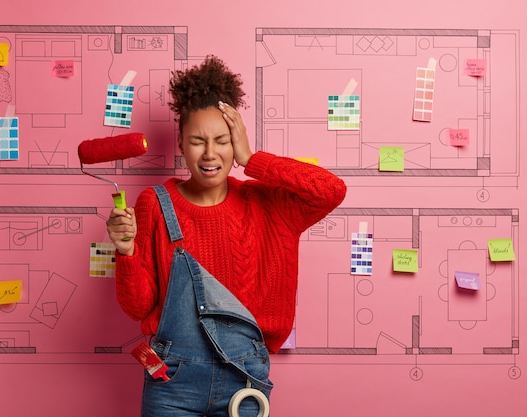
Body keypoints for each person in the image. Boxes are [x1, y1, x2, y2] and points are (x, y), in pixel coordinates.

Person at [106, 55, 347, 417]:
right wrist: (125, 252)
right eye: (197, 141)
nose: (209, 153)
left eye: (222, 140)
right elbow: (138, 307)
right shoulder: (155, 203)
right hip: (171, 379)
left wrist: (252, 160)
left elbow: (330, 190)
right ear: (181, 144)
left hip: (244, 376)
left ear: (235, 140)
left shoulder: (270, 205)